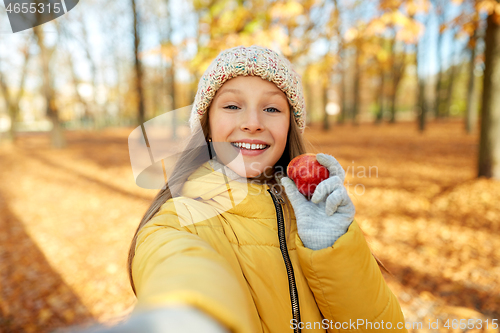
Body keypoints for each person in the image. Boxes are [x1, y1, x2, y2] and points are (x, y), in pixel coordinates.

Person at [95, 45, 408, 333]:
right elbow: (176, 267)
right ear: (206, 124)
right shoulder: (177, 221)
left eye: (272, 109)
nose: (253, 122)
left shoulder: (314, 212)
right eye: (232, 105)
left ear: (289, 126)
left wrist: (335, 251)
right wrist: (184, 317)